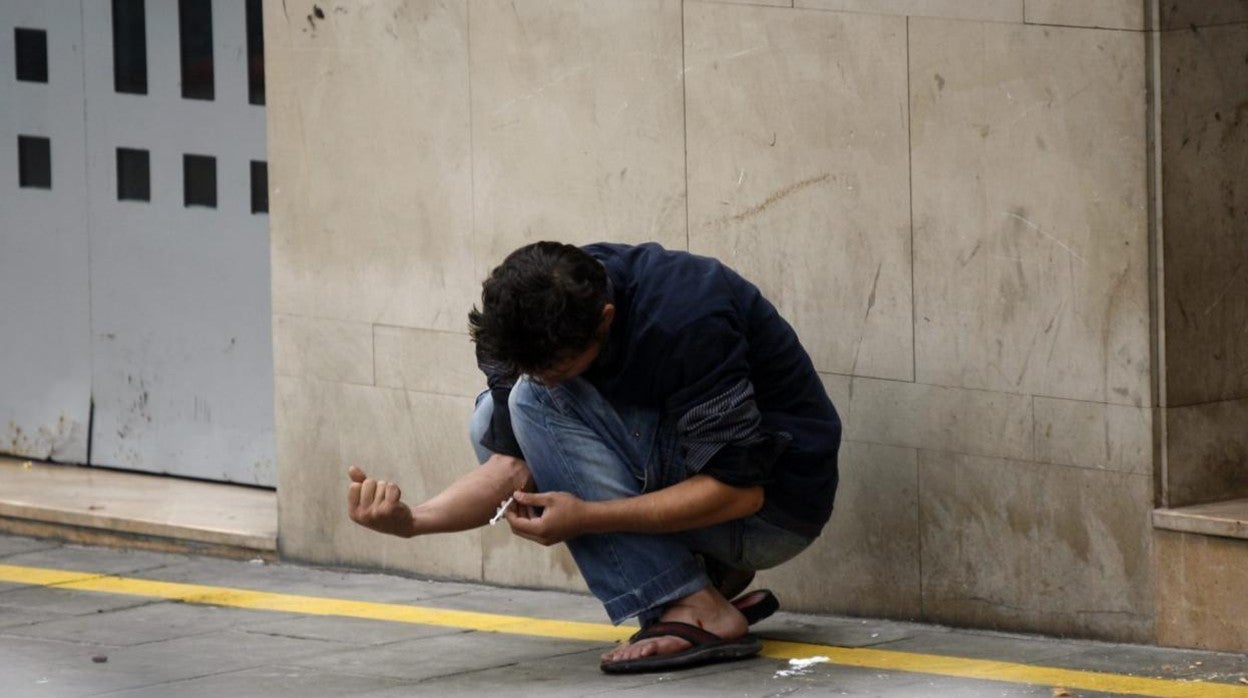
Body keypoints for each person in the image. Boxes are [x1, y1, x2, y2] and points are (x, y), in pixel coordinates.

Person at [347, 241, 841, 674]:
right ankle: (701, 577)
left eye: (559, 369)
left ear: (605, 319)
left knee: (532, 403)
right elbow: (509, 467)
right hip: (712, 494)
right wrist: (412, 521)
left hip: (773, 513)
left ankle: (694, 605)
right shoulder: (531, 324)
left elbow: (741, 492)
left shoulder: (686, 318)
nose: (545, 379)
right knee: (497, 416)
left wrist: (588, 518)